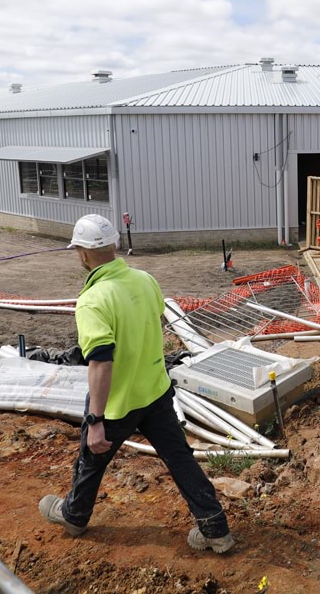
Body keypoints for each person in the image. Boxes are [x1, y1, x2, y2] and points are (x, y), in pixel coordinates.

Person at [38, 214, 234, 553]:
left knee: (91, 460)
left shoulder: (92, 299)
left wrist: (96, 421)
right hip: (155, 392)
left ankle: (74, 514)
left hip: (117, 403)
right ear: (113, 245)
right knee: (180, 458)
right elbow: (149, 321)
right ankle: (215, 528)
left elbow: (100, 362)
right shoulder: (145, 280)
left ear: (83, 253)